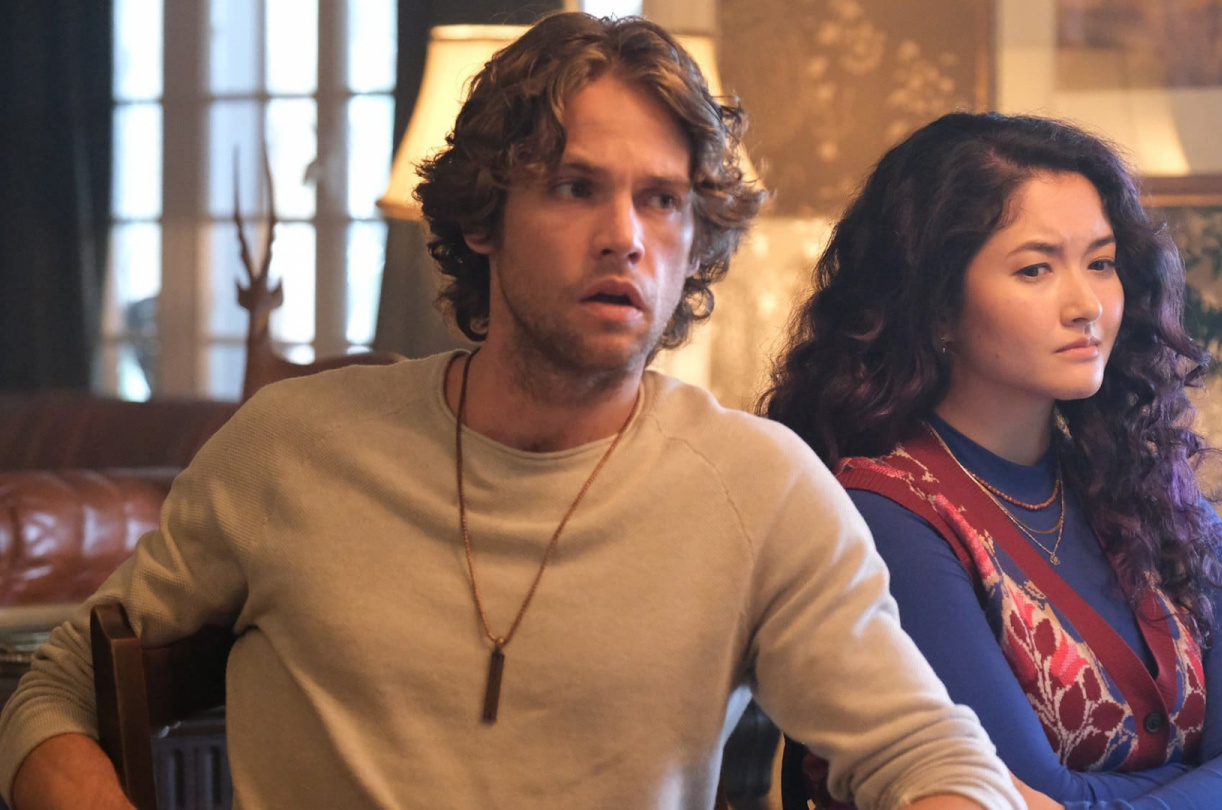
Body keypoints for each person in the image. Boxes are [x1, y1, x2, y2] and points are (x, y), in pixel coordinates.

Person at [0, 14, 1039, 810]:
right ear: (484, 218)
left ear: (696, 237)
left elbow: (933, 756)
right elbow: (55, 691)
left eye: (662, 199)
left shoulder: (762, 488)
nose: (626, 236)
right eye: (576, 188)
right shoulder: (291, 446)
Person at [764, 112, 1222, 808]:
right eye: (1035, 269)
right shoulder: (881, 514)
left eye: (1101, 263)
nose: (1087, 304)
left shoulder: (1147, 488)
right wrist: (1209, 781)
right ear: (935, 308)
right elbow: (1007, 794)